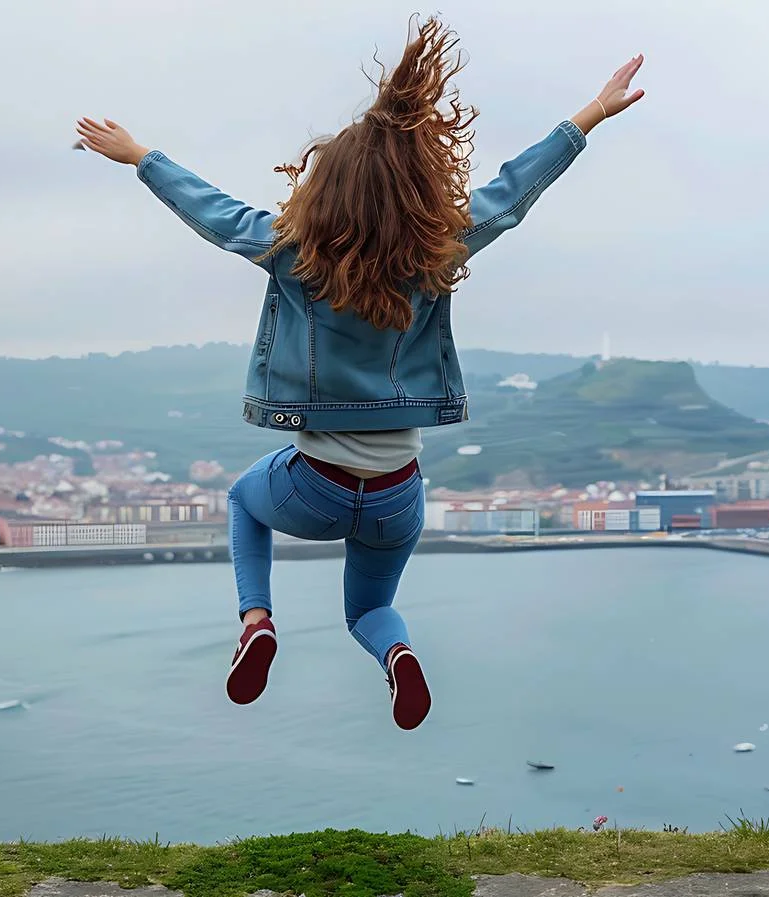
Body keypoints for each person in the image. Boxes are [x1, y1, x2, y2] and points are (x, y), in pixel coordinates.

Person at [76, 17, 645, 730]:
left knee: (242, 500)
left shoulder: (288, 249)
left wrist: (139, 155)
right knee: (370, 607)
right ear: (411, 189)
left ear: (326, 189)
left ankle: (258, 621)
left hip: (312, 486)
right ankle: (398, 654)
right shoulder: (438, 247)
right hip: (396, 496)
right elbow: (511, 192)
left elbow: (212, 211)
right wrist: (590, 114)